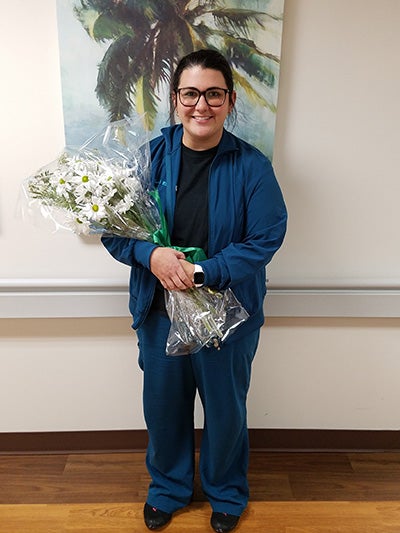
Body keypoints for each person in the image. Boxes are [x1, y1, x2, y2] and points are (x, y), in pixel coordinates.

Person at [102, 49, 287, 532]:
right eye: (190, 93)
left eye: (213, 94)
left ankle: (227, 492)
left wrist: (206, 272)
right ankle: (168, 489)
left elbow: (266, 237)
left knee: (226, 408)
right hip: (160, 309)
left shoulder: (252, 166)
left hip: (228, 313)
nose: (200, 105)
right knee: (163, 406)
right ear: (175, 98)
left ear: (228, 101)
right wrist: (152, 257)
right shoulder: (151, 158)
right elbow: (116, 231)